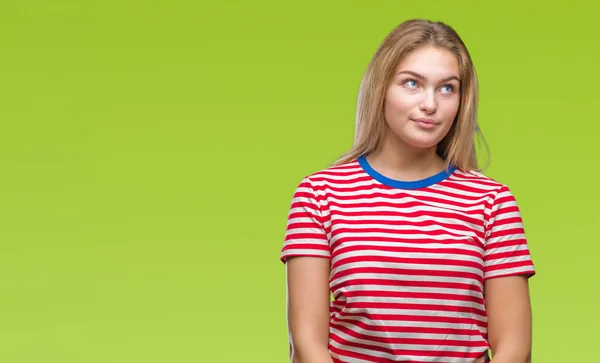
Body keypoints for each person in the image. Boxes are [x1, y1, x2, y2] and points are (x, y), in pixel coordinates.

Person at [279, 19, 535, 363]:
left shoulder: (491, 202)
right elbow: (307, 345)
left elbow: (514, 349)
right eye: (412, 83)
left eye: (447, 88)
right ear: (381, 87)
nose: (430, 104)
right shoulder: (320, 195)